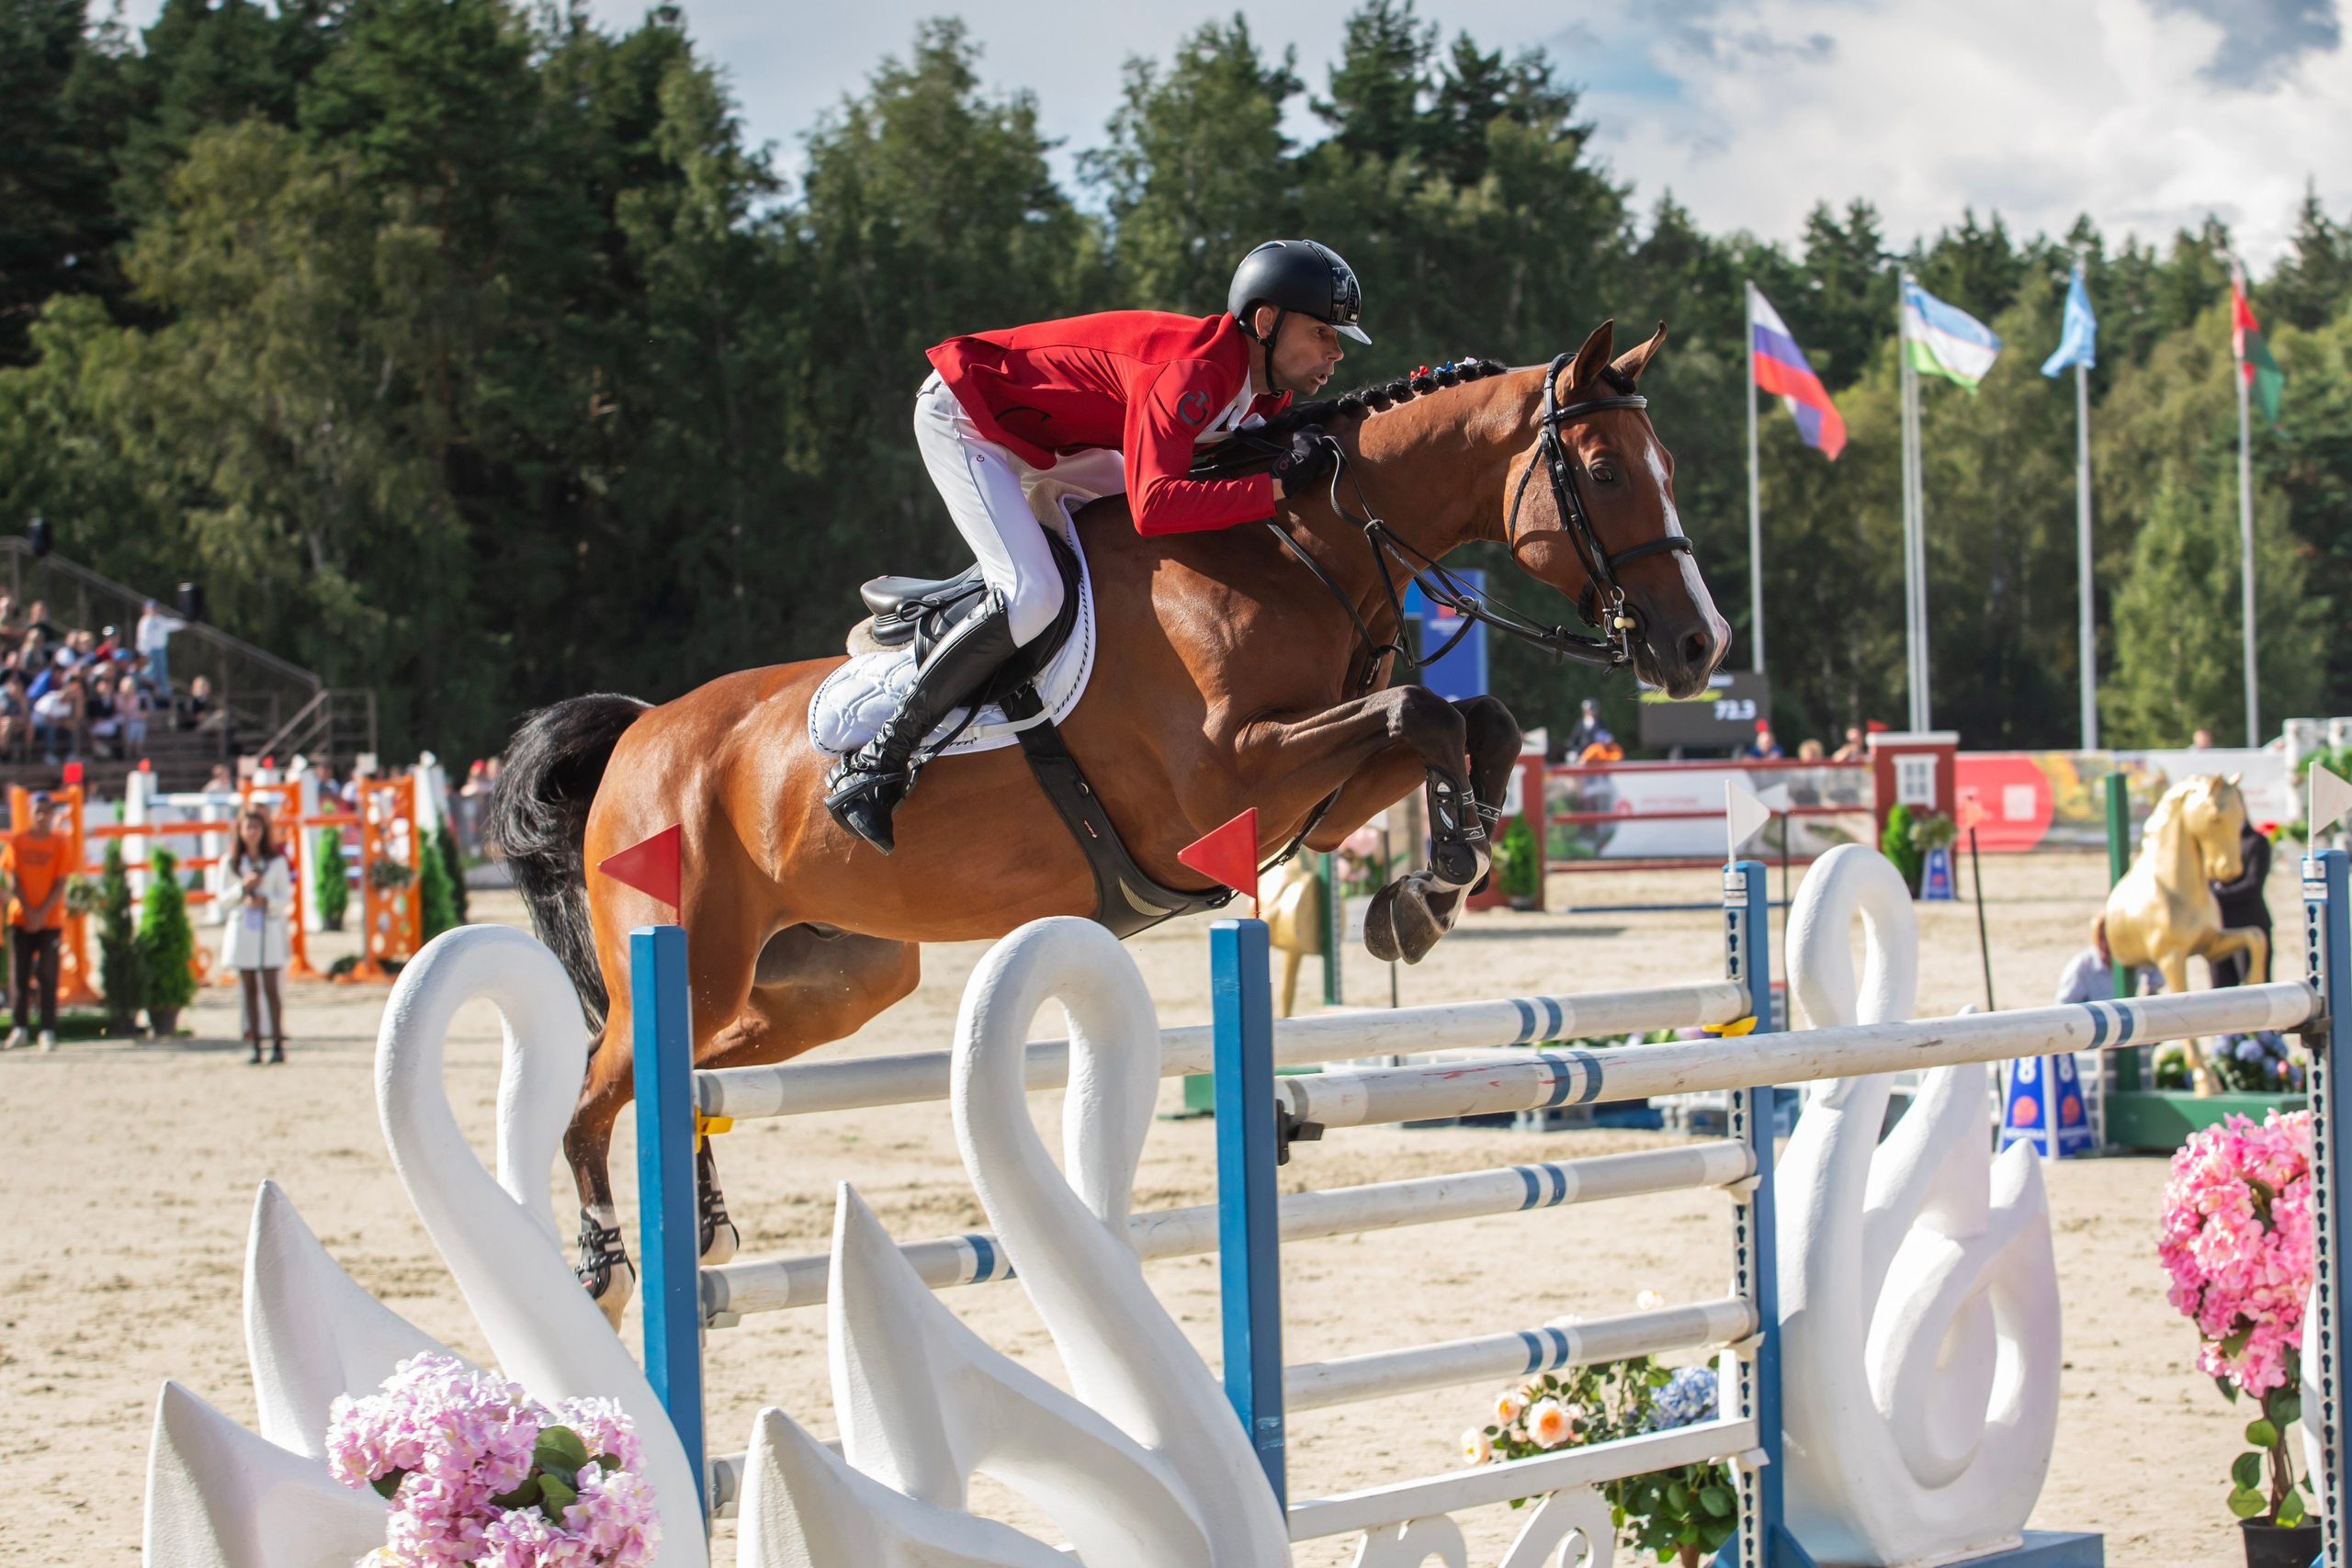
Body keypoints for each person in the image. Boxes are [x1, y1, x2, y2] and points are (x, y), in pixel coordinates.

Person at [822, 237, 1367, 853]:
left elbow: (1222, 463)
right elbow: (1157, 502)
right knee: (1034, 595)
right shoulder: (1194, 373)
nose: (1337, 350)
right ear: (1265, 322)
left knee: (1117, 557)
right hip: (969, 417)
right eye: (1322, 331)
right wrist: (1270, 488)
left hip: (1056, 440)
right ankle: (877, 760)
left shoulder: (1263, 390)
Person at [223, 806, 292, 1064]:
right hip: (244, 928)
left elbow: (284, 898)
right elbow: (223, 899)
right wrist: (242, 889)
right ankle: (255, 1045)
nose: (252, 833)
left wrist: (266, 901)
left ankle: (277, 1042)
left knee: (272, 989)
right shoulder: (231, 863)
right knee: (249, 989)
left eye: (256, 828)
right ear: (240, 832)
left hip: (268, 927)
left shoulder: (275, 862)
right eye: (247, 828)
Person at [3, 793, 69, 1050]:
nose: (41, 816)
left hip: (50, 921)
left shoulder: (60, 844)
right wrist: (30, 912)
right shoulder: (17, 842)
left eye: (46, 811)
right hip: (20, 919)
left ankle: (47, 1030)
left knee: (48, 976)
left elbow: (61, 882)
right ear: (29, 814)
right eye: (37, 811)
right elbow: (12, 878)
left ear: (52, 814)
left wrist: (40, 913)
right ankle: (19, 1028)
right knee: (19, 976)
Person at [2211, 820, 2273, 987]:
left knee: (2255, 987)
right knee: (2220, 988)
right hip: (2219, 927)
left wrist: (2215, 896)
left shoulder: (2256, 842)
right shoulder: (2214, 842)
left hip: (2248, 923)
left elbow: (2252, 885)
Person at [2055, 915, 2163, 1004]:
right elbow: (2064, 1006)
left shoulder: (2129, 956)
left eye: (2109, 938)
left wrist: (2151, 992)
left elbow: (2156, 964)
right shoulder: (2082, 966)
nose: (2105, 944)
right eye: (2101, 937)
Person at [137, 598, 187, 695]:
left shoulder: (160, 619)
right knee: (149, 673)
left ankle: (163, 693)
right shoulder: (145, 622)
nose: (154, 610)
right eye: (152, 608)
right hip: (149, 651)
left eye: (155, 608)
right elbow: (143, 638)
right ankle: (149, 692)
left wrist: (184, 624)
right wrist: (144, 653)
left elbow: (170, 625)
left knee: (162, 673)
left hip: (160, 650)